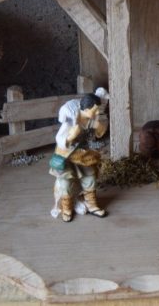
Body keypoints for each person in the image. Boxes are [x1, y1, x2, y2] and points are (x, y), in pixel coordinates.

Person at [49, 92, 108, 222]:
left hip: (82, 155)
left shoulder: (91, 120)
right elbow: (59, 138)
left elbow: (99, 133)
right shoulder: (71, 121)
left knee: (90, 177)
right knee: (65, 183)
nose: (98, 112)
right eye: (95, 110)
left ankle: (92, 205)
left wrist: (99, 126)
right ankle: (67, 208)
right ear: (86, 110)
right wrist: (71, 136)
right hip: (67, 155)